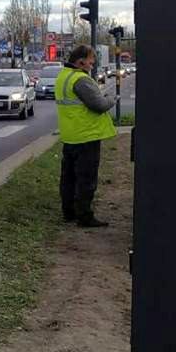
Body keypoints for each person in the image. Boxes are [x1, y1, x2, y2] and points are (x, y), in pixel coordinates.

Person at [55, 44, 116, 227]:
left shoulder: (63, 76)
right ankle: (85, 216)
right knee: (86, 178)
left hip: (71, 135)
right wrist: (112, 99)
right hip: (86, 136)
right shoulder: (81, 79)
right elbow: (99, 105)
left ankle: (69, 212)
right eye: (90, 60)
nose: (92, 63)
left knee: (69, 178)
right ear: (80, 61)